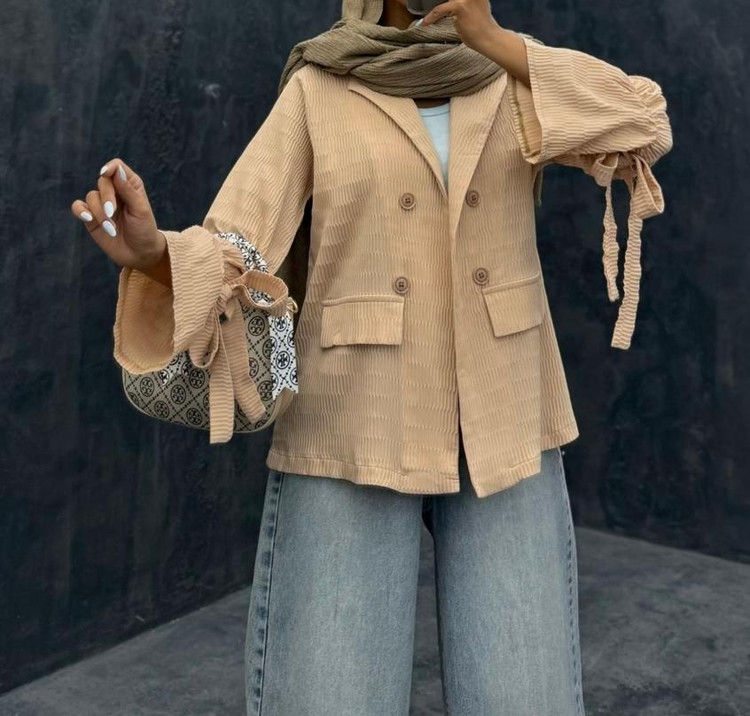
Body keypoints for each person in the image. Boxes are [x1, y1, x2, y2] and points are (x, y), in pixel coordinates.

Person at [70, 0, 673, 713]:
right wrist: (155, 254)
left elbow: (644, 123)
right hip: (355, 409)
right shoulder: (321, 82)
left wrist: (493, 39)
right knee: (330, 694)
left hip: (506, 405)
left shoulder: (511, 74)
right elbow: (239, 240)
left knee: (522, 695)